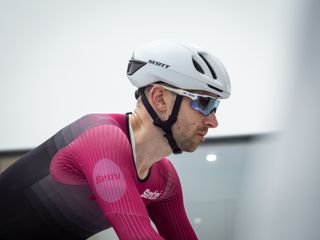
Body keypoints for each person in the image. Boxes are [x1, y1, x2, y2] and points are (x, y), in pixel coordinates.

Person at [0, 40, 231, 239]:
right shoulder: (101, 137)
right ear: (160, 98)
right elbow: (137, 235)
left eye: (216, 107)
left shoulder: (164, 180)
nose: (213, 121)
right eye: (204, 103)